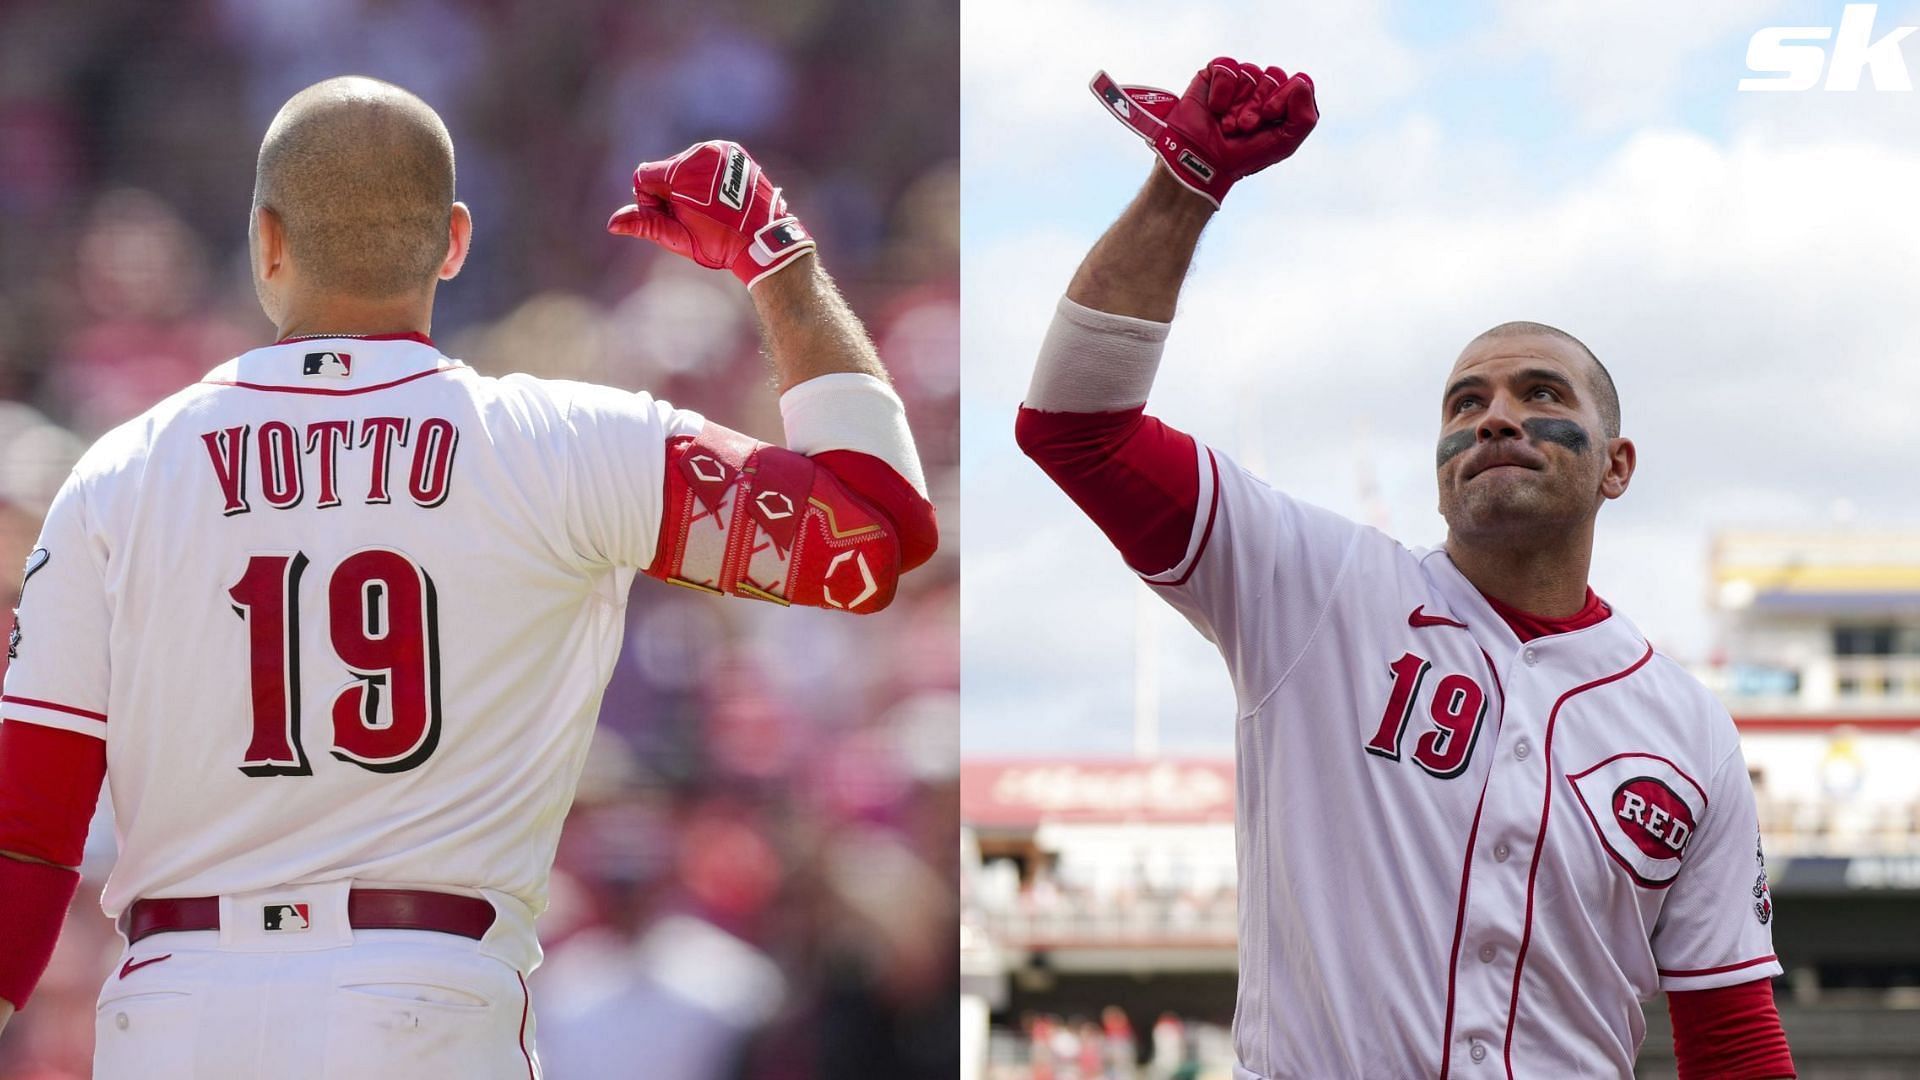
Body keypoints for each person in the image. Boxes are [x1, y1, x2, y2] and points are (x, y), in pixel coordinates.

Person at [0, 75, 935, 1077]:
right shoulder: (568, 444)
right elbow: (874, 538)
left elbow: (27, 835)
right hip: (426, 1004)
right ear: (453, 240)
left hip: (178, 1013)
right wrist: (775, 257)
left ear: (266, 241)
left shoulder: (117, 476)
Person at [1017, 56, 1793, 1078]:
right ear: (1437, 469)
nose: (1497, 414)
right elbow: (1076, 430)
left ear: (1618, 465)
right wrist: (1185, 185)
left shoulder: (1688, 730)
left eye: (1538, 392)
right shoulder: (1316, 588)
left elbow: (1732, 1036)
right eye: (1464, 403)